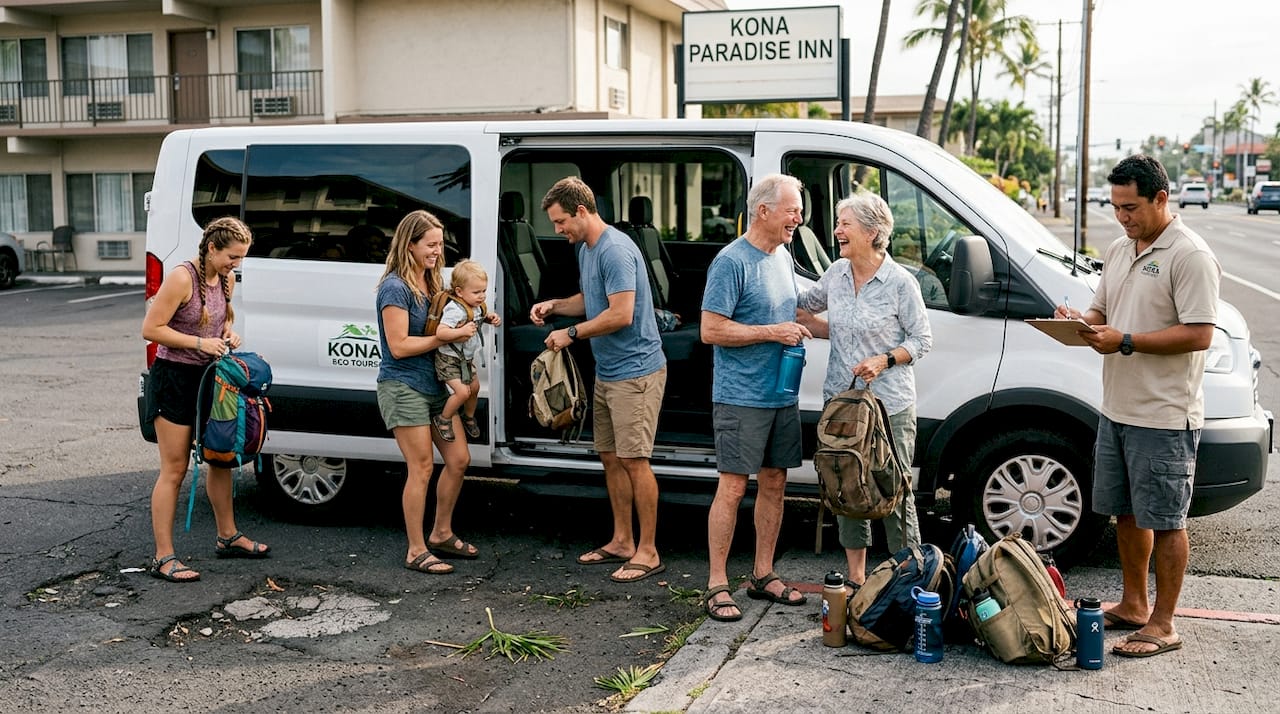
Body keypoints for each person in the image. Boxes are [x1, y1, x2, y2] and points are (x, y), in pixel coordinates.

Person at [1054, 155, 1220, 658]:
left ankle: (1164, 623)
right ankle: (1133, 604)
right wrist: (1076, 322)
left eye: (1131, 207)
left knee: (1167, 519)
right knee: (1125, 513)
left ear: (1161, 199)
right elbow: (1101, 310)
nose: (1122, 217)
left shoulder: (1189, 255)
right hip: (1118, 407)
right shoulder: (1121, 249)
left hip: (1164, 414)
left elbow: (1200, 333)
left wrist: (1125, 341)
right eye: (1116, 207)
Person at [530, 177, 668, 584]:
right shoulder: (588, 250)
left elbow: (620, 314)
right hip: (608, 371)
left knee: (634, 461)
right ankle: (623, 541)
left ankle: (649, 550)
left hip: (636, 372)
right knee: (610, 457)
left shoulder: (615, 250)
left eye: (560, 222)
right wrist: (555, 306)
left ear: (582, 212)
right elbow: (592, 301)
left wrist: (570, 334)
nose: (558, 231)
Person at [797, 192, 933, 590]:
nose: (837, 230)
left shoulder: (900, 282)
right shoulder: (836, 274)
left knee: (893, 489)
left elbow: (922, 340)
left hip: (889, 404)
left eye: (845, 224)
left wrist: (884, 360)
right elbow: (804, 305)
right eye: (838, 223)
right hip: (841, 403)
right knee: (846, 485)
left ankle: (907, 580)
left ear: (872, 233)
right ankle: (856, 580)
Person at [699, 173, 813, 622]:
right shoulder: (731, 262)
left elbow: (795, 313)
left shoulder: (782, 255)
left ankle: (763, 575)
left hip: (779, 394)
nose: (798, 218)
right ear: (762, 210)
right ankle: (716, 584)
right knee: (732, 487)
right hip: (740, 397)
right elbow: (711, 329)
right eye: (791, 209)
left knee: (776, 483)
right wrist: (772, 333)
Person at [141, 216, 269, 583]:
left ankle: (228, 536)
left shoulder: (225, 279)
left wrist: (229, 333)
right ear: (212, 248)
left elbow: (219, 319)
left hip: (210, 378)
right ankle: (164, 557)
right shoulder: (183, 277)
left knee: (221, 456)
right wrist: (200, 343)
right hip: (174, 380)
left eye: (241, 258)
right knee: (175, 468)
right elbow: (150, 329)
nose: (236, 265)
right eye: (232, 256)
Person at [376, 210, 479, 574]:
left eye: (439, 244)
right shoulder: (395, 288)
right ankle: (415, 550)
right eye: (431, 245)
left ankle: (441, 533)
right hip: (403, 386)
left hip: (436, 385)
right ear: (410, 244)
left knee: (459, 460)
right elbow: (399, 346)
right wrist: (443, 337)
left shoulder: (433, 282)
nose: (438, 251)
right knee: (421, 467)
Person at [433, 259, 502, 442]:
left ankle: (468, 417)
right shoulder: (455, 309)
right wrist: (461, 332)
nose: (481, 296)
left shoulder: (476, 306)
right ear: (459, 292)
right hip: (449, 359)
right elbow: (441, 332)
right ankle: (443, 419)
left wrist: (489, 319)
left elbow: (478, 317)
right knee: (463, 392)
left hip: (466, 359)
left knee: (475, 387)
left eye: (484, 291)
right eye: (476, 292)